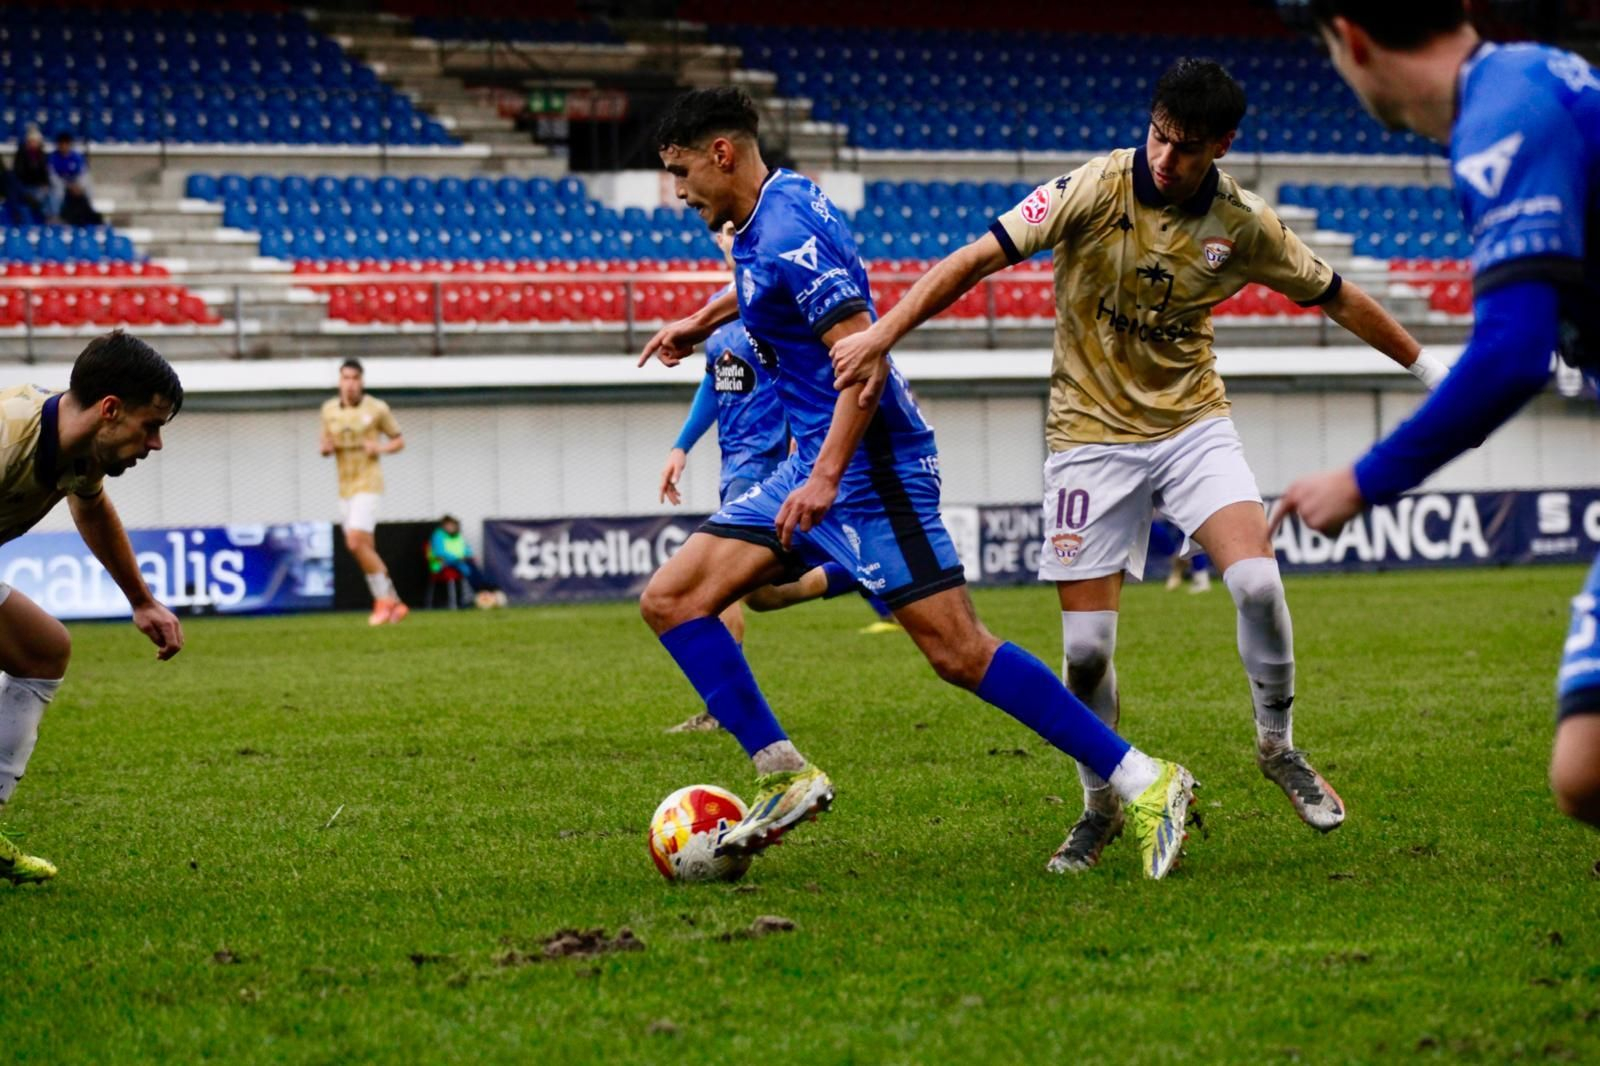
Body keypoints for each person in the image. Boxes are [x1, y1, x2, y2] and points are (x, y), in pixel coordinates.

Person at [830, 58, 1444, 871]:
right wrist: (882, 334)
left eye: (1187, 148)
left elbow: (1336, 295)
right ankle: (1101, 807)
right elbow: (974, 259)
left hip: (1193, 423)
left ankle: (1277, 745)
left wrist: (1431, 371)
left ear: (1223, 145)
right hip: (1087, 436)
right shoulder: (1091, 187)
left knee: (1258, 582)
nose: (1165, 157)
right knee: (1085, 651)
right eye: (1158, 135)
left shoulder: (1243, 224)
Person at [638, 87, 1198, 880]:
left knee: (959, 652)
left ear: (721, 154)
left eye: (682, 171)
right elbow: (770, 286)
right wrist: (701, 322)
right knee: (672, 598)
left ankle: (1147, 778)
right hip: (815, 462)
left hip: (870, 468)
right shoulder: (774, 210)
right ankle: (784, 773)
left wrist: (827, 476)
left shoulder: (788, 226)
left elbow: (861, 365)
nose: (680, 191)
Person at [1269, 2, 1600, 827]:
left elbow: (1512, 352)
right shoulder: (1524, 82)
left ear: (1352, 40)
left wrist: (1364, 478)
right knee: (1587, 767)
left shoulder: (1502, 120)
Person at [0, 331, 186, 884]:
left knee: (41, 650)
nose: (155, 444)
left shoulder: (79, 446)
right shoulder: (8, 440)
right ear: (110, 410)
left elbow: (91, 507)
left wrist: (142, 601)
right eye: (150, 425)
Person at [319, 358, 410, 626]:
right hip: (345, 487)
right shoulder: (329, 410)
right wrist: (326, 449)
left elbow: (399, 440)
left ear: (362, 381)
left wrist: (379, 449)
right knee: (363, 548)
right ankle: (393, 603)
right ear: (340, 381)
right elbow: (324, 443)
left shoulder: (377, 409)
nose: (350, 384)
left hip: (368, 483)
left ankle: (384, 601)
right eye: (346, 378)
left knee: (355, 542)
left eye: (355, 378)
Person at [427, 515, 505, 608]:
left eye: (452, 525)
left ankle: (485, 588)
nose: (451, 527)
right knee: (468, 569)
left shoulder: (458, 536)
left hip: (460, 562)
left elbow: (466, 548)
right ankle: (484, 588)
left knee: (473, 566)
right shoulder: (438, 536)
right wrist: (457, 558)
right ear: (443, 526)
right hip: (443, 564)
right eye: (448, 525)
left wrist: (468, 555)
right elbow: (440, 552)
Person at [47, 133, 88, 224]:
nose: (64, 147)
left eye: (66, 144)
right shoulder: (53, 157)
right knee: (57, 191)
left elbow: (83, 173)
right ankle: (56, 216)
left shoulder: (77, 157)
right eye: (62, 144)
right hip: (60, 184)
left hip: (75, 183)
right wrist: (67, 185)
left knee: (87, 187)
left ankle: (88, 215)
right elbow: (52, 176)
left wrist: (78, 185)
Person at [11, 127, 50, 224]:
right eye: (31, 141)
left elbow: (45, 174)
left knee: (49, 197)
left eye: (35, 141)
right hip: (25, 186)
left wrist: (45, 184)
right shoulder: (21, 154)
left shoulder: (43, 155)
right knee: (28, 202)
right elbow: (19, 173)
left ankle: (49, 221)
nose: (33, 144)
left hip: (38, 187)